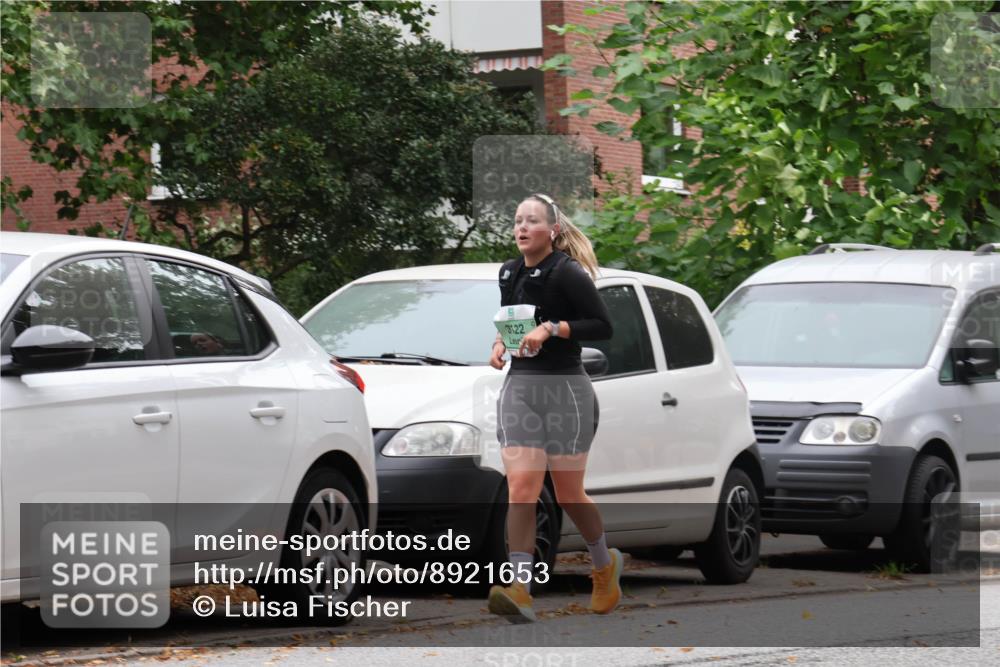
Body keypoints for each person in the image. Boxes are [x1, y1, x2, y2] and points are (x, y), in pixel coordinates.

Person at [486, 193, 617, 624]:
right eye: (517, 220)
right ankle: (520, 588)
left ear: (552, 230)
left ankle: (603, 566)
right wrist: (501, 343)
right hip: (521, 386)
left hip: (566, 390)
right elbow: (512, 320)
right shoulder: (509, 272)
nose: (522, 228)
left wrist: (552, 329)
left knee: (567, 493)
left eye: (532, 221)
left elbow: (603, 326)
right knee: (521, 487)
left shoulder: (568, 274)